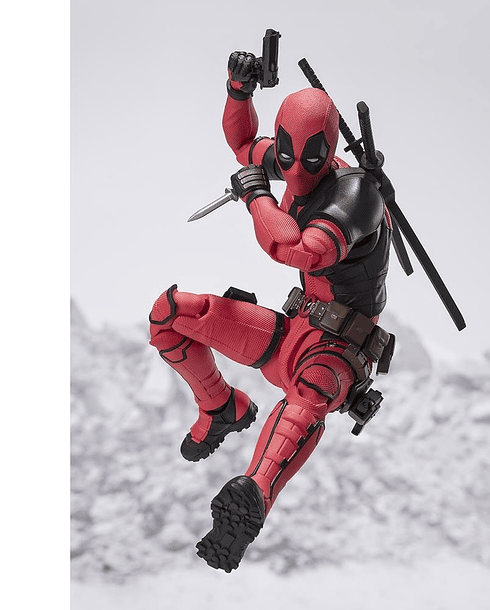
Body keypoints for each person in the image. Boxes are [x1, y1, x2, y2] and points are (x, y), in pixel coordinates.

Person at [148, 50, 393, 572]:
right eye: (285, 153)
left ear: (329, 151)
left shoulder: (355, 195)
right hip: (293, 331)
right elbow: (242, 143)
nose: (295, 169)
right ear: (281, 142)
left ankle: (254, 496)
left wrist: (256, 196)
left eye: (310, 157)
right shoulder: (290, 160)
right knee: (170, 315)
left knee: (306, 402)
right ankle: (220, 407)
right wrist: (238, 91)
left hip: (337, 353)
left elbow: (298, 250)